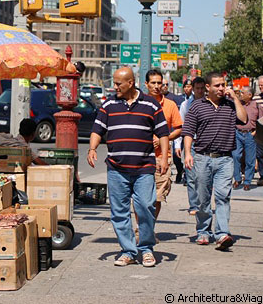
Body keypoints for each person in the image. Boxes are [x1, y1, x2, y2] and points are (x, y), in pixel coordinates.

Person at [88, 67, 169, 268]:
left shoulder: (150, 104)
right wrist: (92, 148)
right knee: (119, 212)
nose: (114, 87)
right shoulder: (108, 105)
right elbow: (98, 129)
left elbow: (163, 132)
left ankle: (147, 248)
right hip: (116, 169)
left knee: (145, 207)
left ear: (130, 83)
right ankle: (128, 251)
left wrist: (165, 159)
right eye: (114, 83)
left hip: (144, 168)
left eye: (118, 84)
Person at [183, 72, 247, 250]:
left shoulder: (230, 105)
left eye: (223, 85)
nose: (221, 88)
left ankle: (222, 234)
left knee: (223, 196)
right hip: (203, 158)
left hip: (225, 159)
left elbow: (244, 119)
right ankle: (203, 231)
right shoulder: (197, 106)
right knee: (203, 199)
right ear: (208, 88)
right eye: (217, 85)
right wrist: (188, 153)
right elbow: (188, 131)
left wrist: (235, 98)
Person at [143, 70, 182, 225]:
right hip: (141, 157)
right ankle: (141, 230)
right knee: (141, 198)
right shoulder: (139, 103)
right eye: (153, 83)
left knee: (158, 197)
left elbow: (179, 129)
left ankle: (149, 228)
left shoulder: (170, 105)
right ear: (146, 84)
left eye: (160, 83)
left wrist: (163, 139)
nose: (157, 86)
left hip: (162, 158)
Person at [175, 77, 206, 215]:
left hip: (206, 145)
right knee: (191, 176)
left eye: (202, 88)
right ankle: (194, 205)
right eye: (197, 88)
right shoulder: (186, 105)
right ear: (192, 89)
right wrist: (178, 145)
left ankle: (203, 204)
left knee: (204, 177)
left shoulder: (210, 103)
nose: (199, 91)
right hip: (191, 144)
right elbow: (181, 126)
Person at [232, 86, 263, 191]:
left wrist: (256, 131)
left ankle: (247, 182)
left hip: (250, 134)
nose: (241, 94)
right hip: (238, 133)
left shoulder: (256, 105)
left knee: (250, 159)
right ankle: (237, 178)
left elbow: (261, 120)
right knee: (236, 155)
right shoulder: (237, 104)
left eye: (243, 93)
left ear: (249, 95)